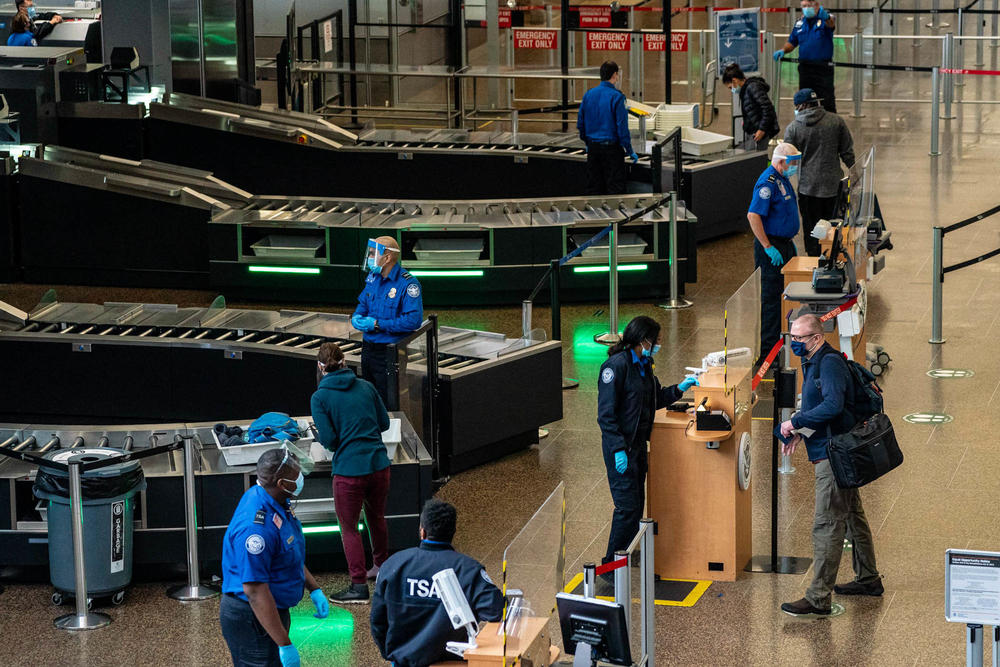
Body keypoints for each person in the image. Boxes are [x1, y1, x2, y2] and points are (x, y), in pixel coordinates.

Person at [779, 314, 881, 616]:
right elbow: (820, 408)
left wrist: (795, 422)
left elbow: (833, 405)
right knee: (852, 516)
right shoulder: (812, 360)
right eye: (792, 337)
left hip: (834, 455)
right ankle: (868, 579)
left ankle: (818, 597)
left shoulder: (829, 363)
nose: (795, 342)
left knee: (827, 524)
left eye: (800, 338)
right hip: (833, 448)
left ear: (817, 337)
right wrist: (801, 431)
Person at [597, 316, 699, 576]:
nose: (659, 345)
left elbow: (654, 398)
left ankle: (624, 555)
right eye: (657, 341)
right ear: (643, 340)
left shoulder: (644, 364)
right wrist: (618, 449)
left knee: (636, 504)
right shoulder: (615, 368)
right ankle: (610, 566)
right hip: (621, 450)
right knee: (627, 508)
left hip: (638, 446)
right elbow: (606, 416)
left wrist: (679, 389)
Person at [220, 448, 329, 667]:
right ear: (281, 483)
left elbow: (288, 554)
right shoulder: (256, 530)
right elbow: (255, 590)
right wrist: (285, 644)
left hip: (272, 609)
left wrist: (313, 588)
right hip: (253, 617)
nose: (300, 478)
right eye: (296, 475)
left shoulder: (274, 500)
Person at [370, 499, 504, 667]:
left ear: (422, 532)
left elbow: (377, 621)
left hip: (403, 661)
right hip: (452, 662)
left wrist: (392, 654)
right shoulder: (469, 570)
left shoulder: (393, 565)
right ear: (453, 532)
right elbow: (497, 611)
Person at [311, 341, 392, 604]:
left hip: (349, 472)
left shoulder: (320, 397)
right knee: (376, 517)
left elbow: (330, 440)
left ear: (321, 368)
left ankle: (358, 587)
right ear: (345, 363)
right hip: (379, 465)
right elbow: (384, 423)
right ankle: (382, 569)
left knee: (349, 528)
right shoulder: (366, 386)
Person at [352, 236, 423, 406]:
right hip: (368, 348)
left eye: (372, 254)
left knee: (388, 401)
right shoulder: (373, 278)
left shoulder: (408, 284)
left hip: (390, 353)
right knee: (369, 398)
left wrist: (377, 324)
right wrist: (357, 316)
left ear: (387, 257)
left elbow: (413, 321)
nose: (369, 258)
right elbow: (364, 302)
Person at [783, 88, 856, 256]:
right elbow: (847, 152)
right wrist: (856, 174)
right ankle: (834, 257)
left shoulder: (793, 128)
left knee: (812, 228)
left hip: (808, 188)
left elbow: (788, 158)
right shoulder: (836, 121)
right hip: (833, 186)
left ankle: (814, 260)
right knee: (834, 226)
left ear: (801, 106)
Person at [747, 141, 802, 359]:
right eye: (792, 163)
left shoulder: (783, 178)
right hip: (772, 248)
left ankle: (782, 346)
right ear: (780, 162)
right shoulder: (767, 183)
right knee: (771, 301)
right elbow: (753, 216)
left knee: (785, 296)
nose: (795, 167)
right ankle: (768, 355)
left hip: (784, 244)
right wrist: (768, 246)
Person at [577, 60, 638, 195]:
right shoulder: (617, 97)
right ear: (615, 75)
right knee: (615, 188)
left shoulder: (588, 95)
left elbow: (580, 123)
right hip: (612, 151)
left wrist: (588, 142)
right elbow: (622, 128)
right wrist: (629, 150)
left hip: (593, 149)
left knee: (594, 188)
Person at [773, 0, 837, 113]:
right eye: (804, 6)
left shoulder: (825, 19)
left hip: (823, 69)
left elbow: (831, 24)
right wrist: (783, 50)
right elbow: (792, 42)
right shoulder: (800, 23)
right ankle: (805, 125)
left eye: (809, 6)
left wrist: (826, 17)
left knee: (827, 101)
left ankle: (831, 127)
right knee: (805, 100)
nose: (806, 8)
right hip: (805, 68)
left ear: (816, 5)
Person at [722, 63, 779, 152]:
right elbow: (752, 108)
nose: (732, 90)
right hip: (754, 131)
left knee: (757, 160)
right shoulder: (745, 90)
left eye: (730, 87)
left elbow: (768, 108)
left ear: (734, 81)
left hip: (759, 133)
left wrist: (762, 129)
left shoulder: (753, 87)